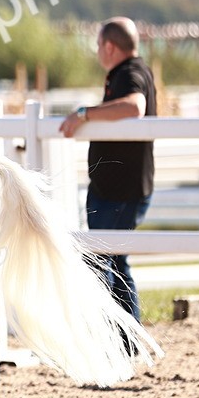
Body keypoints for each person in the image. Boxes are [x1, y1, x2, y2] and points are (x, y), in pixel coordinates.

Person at [59, 17, 157, 326]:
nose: (98, 51)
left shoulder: (130, 73)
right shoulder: (130, 72)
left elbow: (134, 106)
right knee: (112, 260)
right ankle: (127, 338)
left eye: (99, 44)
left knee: (105, 263)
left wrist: (84, 114)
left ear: (110, 46)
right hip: (118, 187)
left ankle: (119, 338)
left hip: (119, 190)